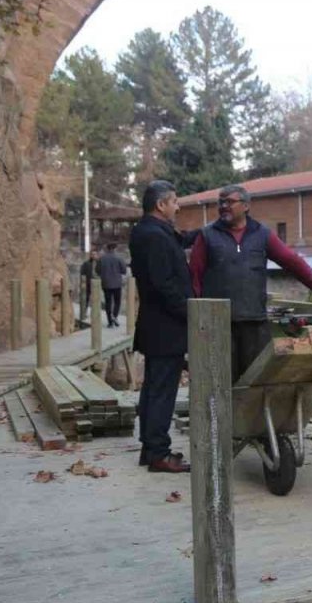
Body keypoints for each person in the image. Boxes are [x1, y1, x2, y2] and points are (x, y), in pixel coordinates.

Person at [189, 184, 312, 382]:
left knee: (256, 380)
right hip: (218, 324)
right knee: (219, 382)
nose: (224, 206)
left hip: (254, 322)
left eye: (230, 202)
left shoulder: (262, 234)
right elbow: (194, 276)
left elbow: (292, 262)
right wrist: (195, 316)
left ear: (246, 206)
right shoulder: (207, 235)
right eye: (221, 202)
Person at [128, 180, 190, 473]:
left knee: (154, 389)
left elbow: (179, 240)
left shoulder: (151, 231)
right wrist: (191, 312)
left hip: (158, 325)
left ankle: (151, 448)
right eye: (174, 201)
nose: (178, 206)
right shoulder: (153, 236)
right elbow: (163, 284)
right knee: (162, 391)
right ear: (161, 205)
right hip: (165, 327)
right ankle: (158, 453)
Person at [96, 243, 128, 327]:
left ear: (107, 249)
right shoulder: (119, 258)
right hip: (117, 284)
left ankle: (110, 322)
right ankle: (115, 316)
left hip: (106, 284)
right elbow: (124, 271)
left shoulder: (102, 258)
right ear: (115, 249)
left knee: (108, 302)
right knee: (117, 301)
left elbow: (97, 270)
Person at [79, 248, 99, 320]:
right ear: (90, 255)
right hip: (88, 283)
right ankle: (84, 313)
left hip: (97, 284)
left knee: (96, 299)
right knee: (86, 299)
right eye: (92, 254)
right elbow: (82, 273)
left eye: (95, 254)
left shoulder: (100, 263)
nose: (93, 255)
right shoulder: (86, 263)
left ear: (97, 255)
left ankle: (95, 314)